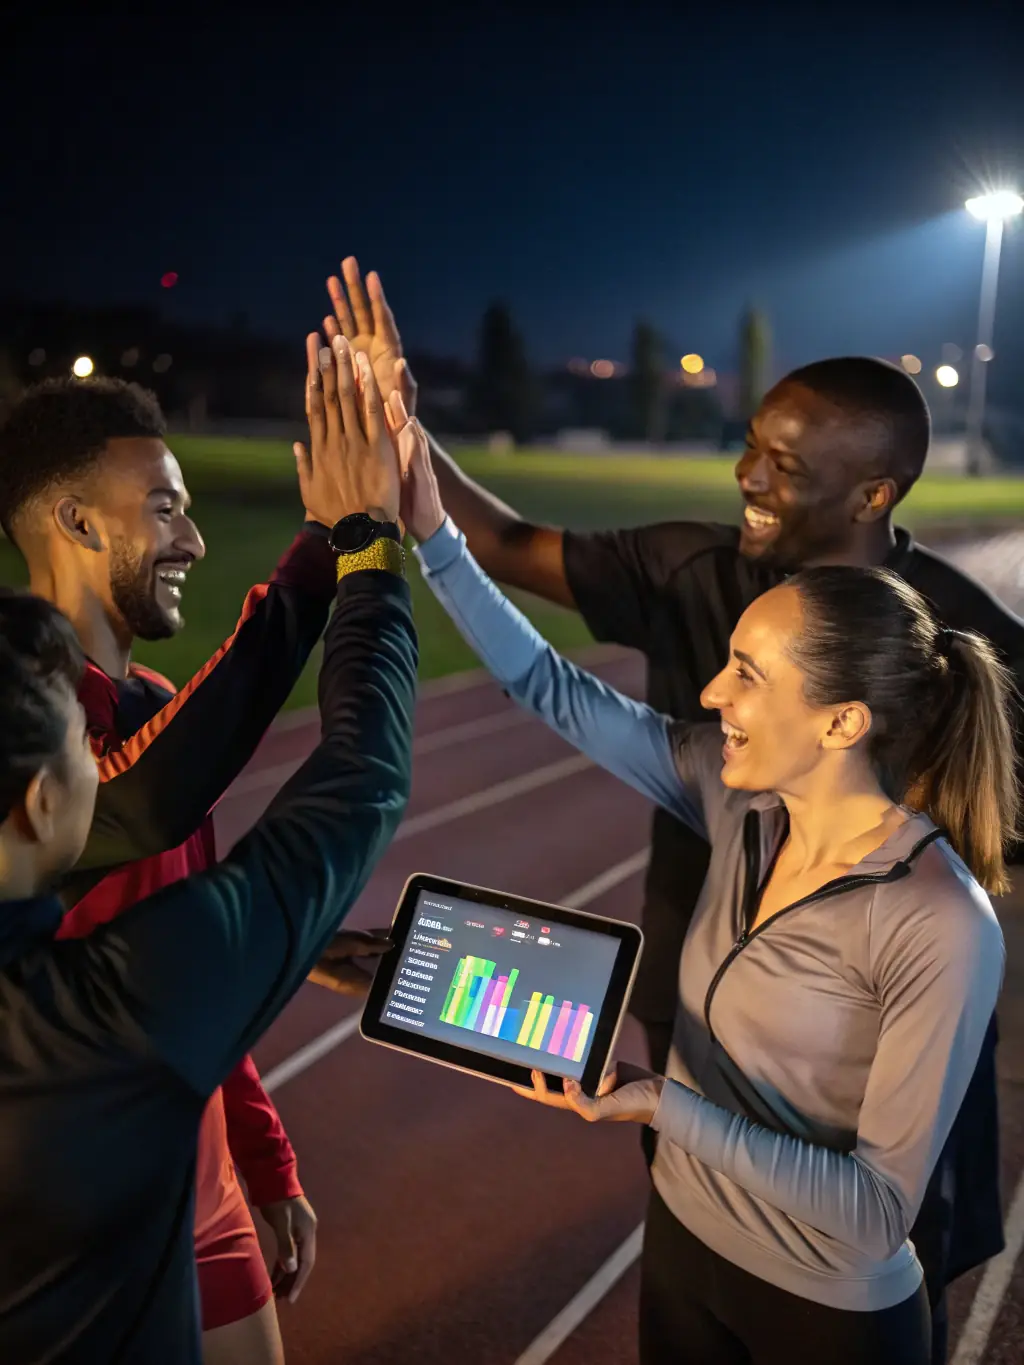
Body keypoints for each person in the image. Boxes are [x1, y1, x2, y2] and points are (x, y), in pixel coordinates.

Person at [320, 258, 1024, 1362]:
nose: (704, 689)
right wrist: (430, 532)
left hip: (828, 1302)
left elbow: (875, 1210)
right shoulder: (735, 800)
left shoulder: (937, 916)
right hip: (690, 1246)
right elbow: (552, 686)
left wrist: (659, 1105)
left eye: (746, 674)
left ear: (842, 723)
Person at [0, 331, 415, 1364]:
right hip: (76, 1182)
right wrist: (340, 545)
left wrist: (263, 1160)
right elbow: (145, 799)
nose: (189, 541)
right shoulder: (24, 720)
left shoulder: (148, 705)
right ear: (74, 520)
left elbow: (189, 938)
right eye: (166, 508)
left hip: (203, 1167)